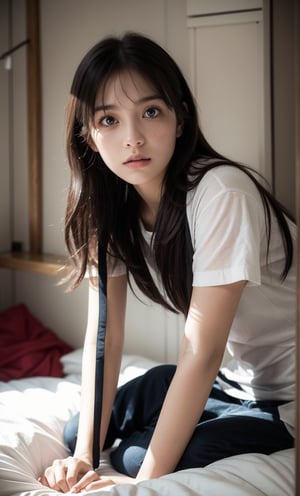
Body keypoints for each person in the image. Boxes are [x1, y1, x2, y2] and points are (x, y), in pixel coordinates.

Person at [39, 32, 296, 493]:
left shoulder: (222, 192)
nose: (133, 138)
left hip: (284, 400)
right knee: (81, 434)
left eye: (150, 112)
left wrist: (144, 485)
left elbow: (202, 349)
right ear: (90, 136)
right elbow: (106, 335)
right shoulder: (110, 209)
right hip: (227, 384)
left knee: (136, 457)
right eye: (109, 120)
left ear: (179, 119)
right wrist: (82, 460)